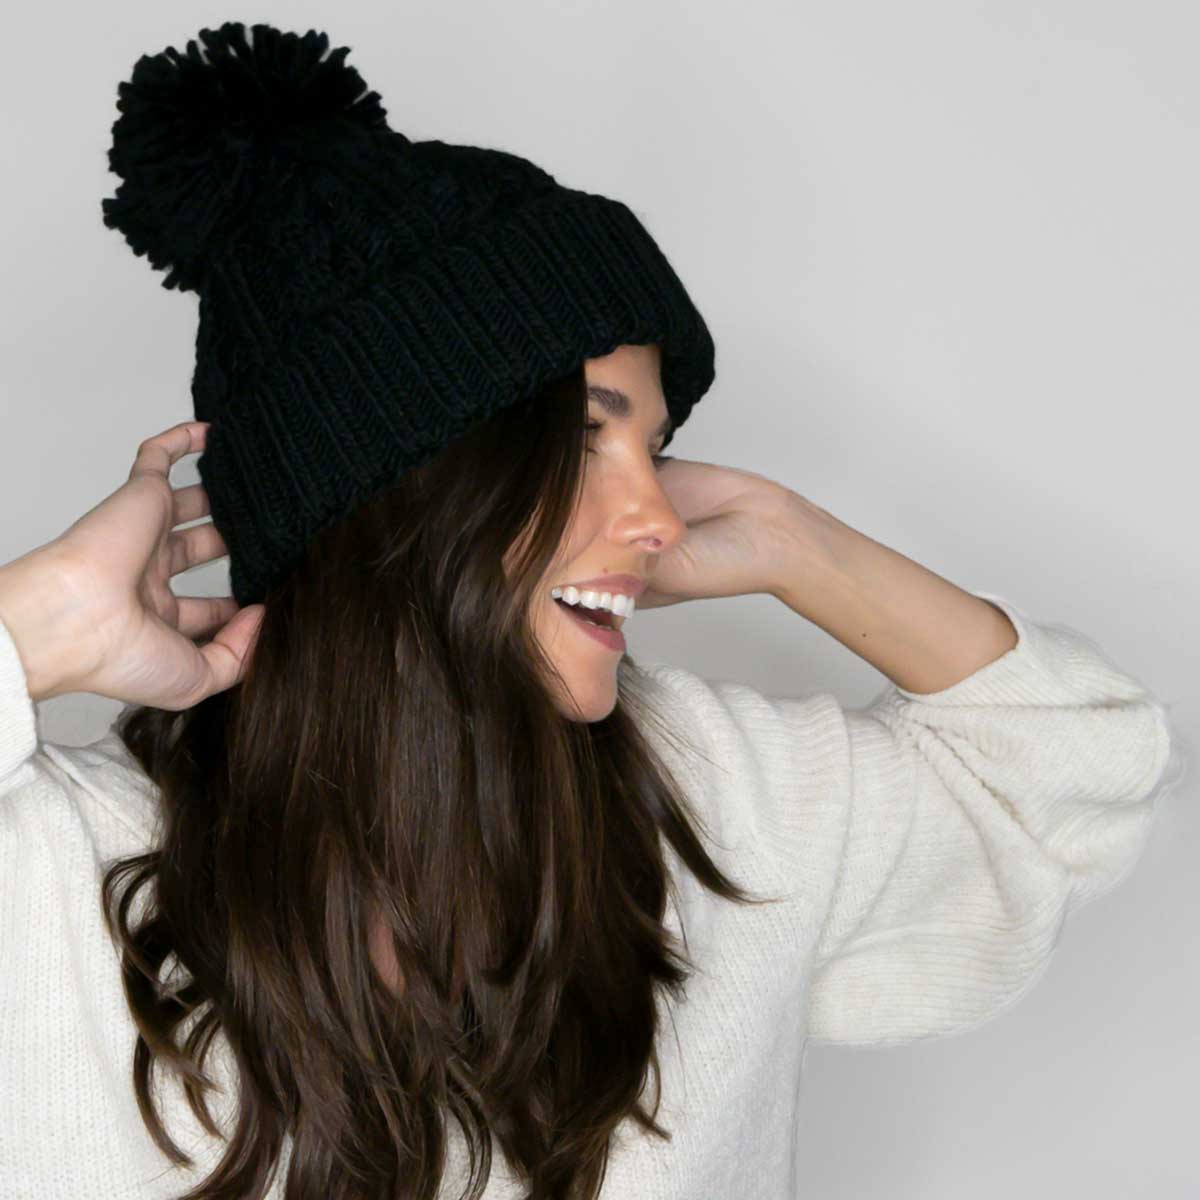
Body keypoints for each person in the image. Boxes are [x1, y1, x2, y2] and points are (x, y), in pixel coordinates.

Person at [0, 21, 1183, 1200]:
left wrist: (795, 541)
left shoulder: (713, 800)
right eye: (583, 439)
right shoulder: (62, 871)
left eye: (655, 449)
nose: (658, 515)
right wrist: (39, 624)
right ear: (398, 487)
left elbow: (1056, 776)